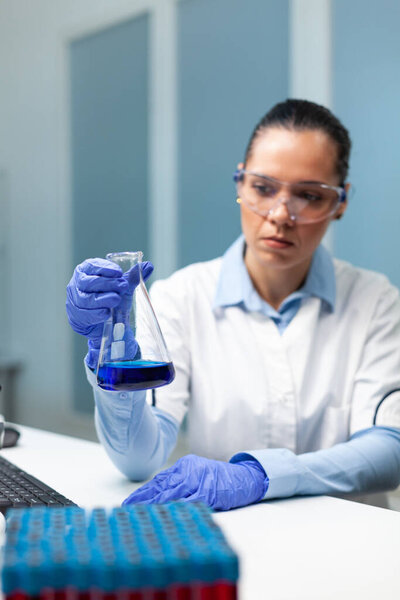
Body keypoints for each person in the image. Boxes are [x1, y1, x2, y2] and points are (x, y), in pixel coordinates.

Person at [66, 99, 400, 511]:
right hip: (234, 539)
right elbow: (139, 460)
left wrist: (258, 476)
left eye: (309, 195)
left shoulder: (378, 303)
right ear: (240, 185)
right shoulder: (181, 297)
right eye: (263, 188)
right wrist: (112, 364)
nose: (280, 214)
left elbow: (389, 448)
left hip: (354, 546)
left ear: (340, 202)